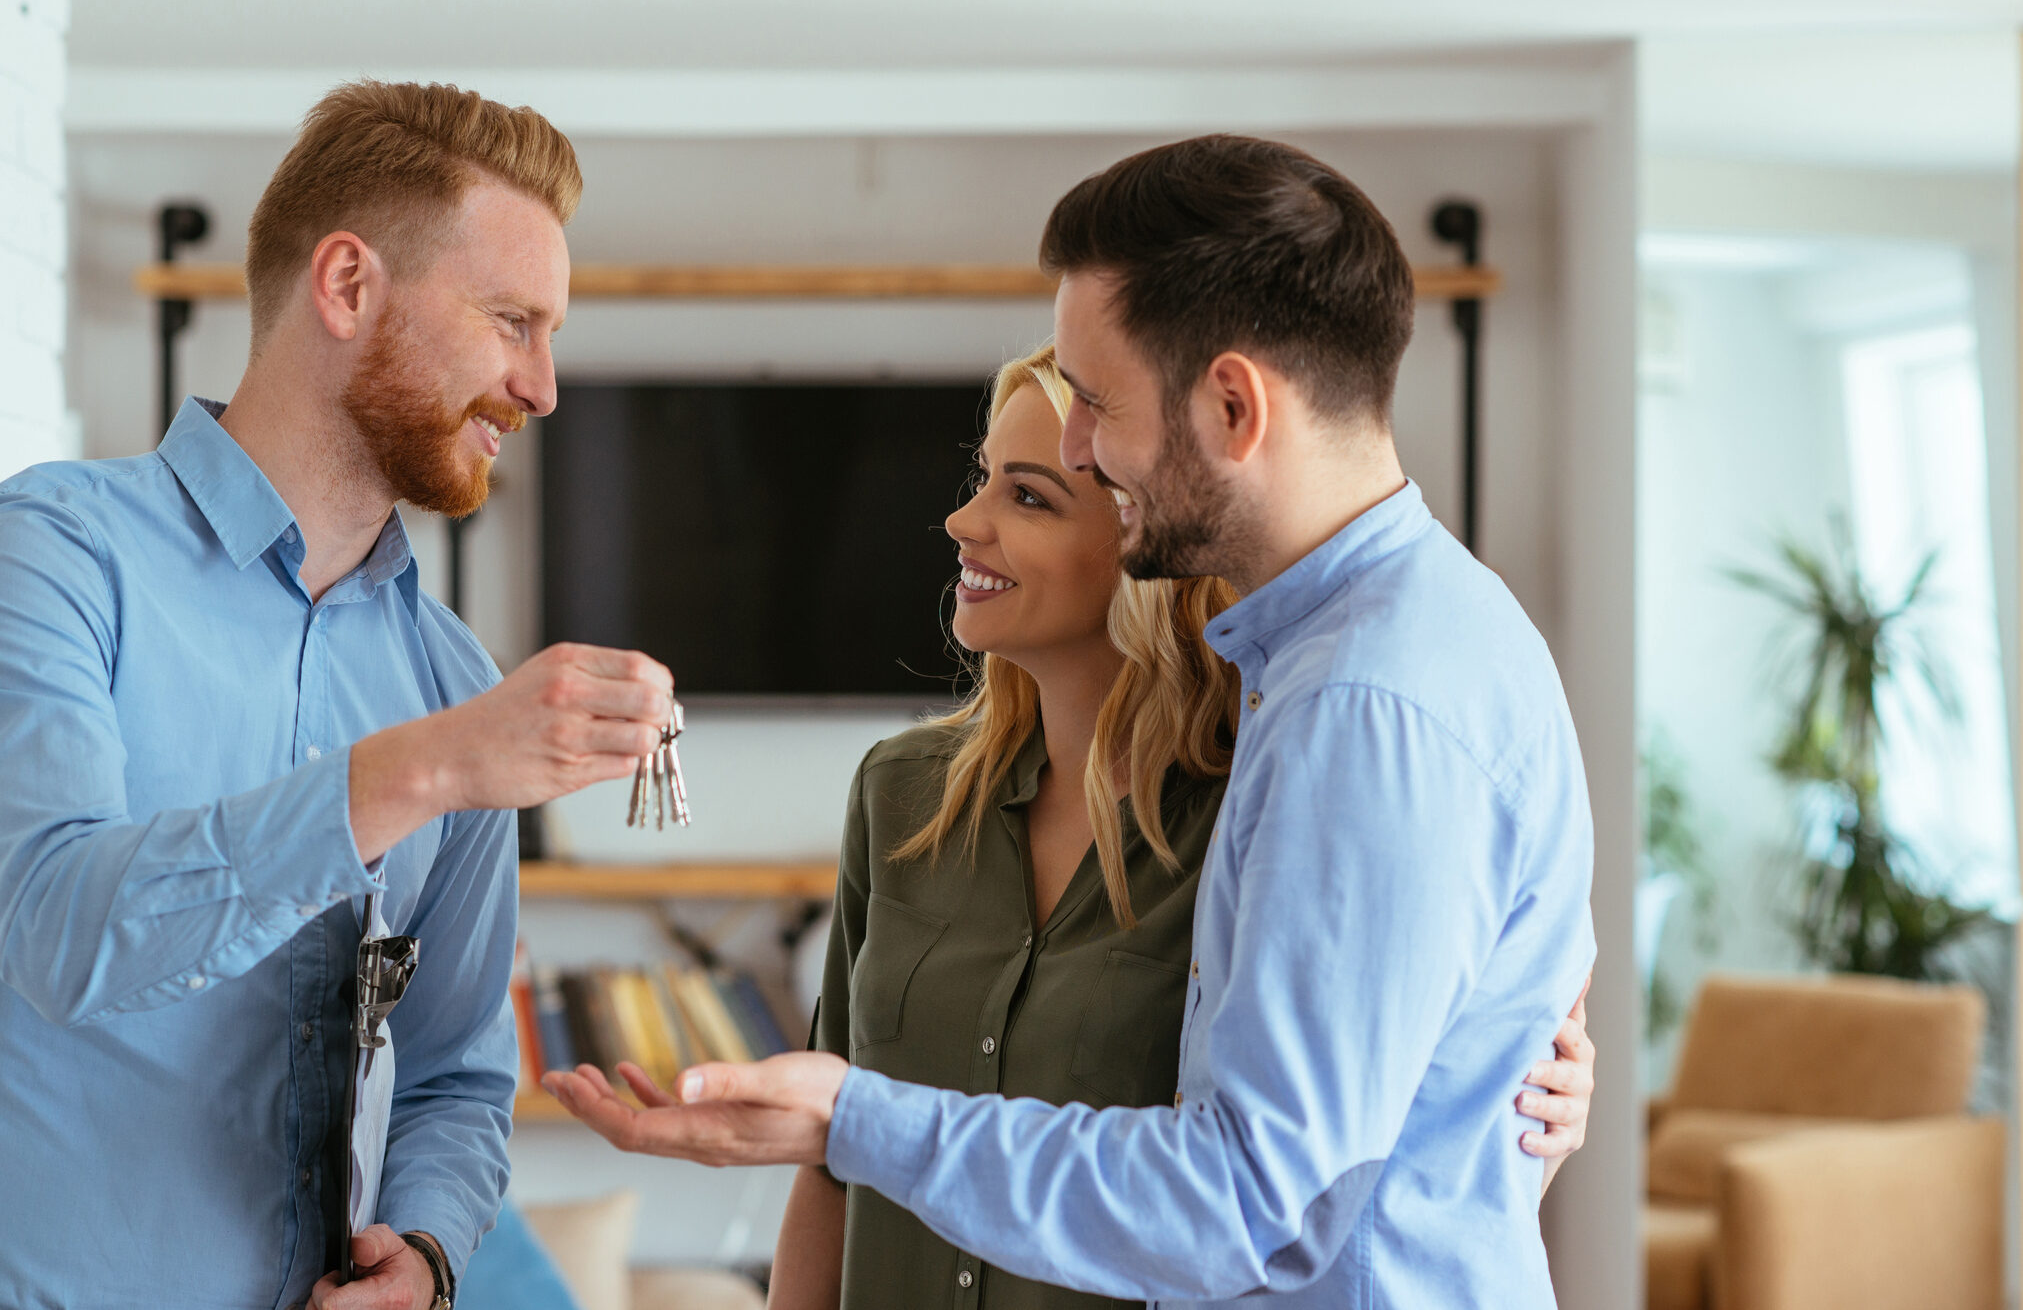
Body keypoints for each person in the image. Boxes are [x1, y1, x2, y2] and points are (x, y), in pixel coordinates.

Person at [548, 135, 1598, 1308]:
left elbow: (1249, 1203)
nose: (1083, 443)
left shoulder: (1360, 706)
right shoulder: (1373, 652)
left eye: (1096, 406)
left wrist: (856, 1115)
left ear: (1233, 405)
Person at [729, 344, 1595, 1310]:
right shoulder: (901, 796)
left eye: (1029, 497)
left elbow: (1349, 1160)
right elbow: (829, 1165)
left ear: (1142, 544)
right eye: (984, 478)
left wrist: (1510, 1096)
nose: (962, 521)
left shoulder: (1266, 810)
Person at [0, 81, 673, 1310]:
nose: (542, 386)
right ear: (349, 286)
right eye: (512, 320)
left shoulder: (454, 681)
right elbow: (51, 930)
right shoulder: (53, 552)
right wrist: (411, 772)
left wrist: (423, 1250)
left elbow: (458, 1077)